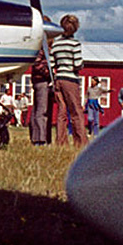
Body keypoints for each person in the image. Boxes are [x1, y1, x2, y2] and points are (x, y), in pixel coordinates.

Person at [50, 14, 87, 147]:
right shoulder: (74, 44)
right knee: (76, 111)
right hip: (70, 79)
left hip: (58, 78)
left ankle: (61, 142)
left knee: (62, 112)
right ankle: (80, 142)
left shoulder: (56, 44)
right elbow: (77, 64)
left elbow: (52, 63)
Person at [29, 46, 53, 145]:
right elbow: (37, 64)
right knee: (41, 111)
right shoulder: (41, 51)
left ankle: (35, 137)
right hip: (42, 81)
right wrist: (50, 74)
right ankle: (41, 139)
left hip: (37, 81)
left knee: (37, 110)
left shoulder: (40, 51)